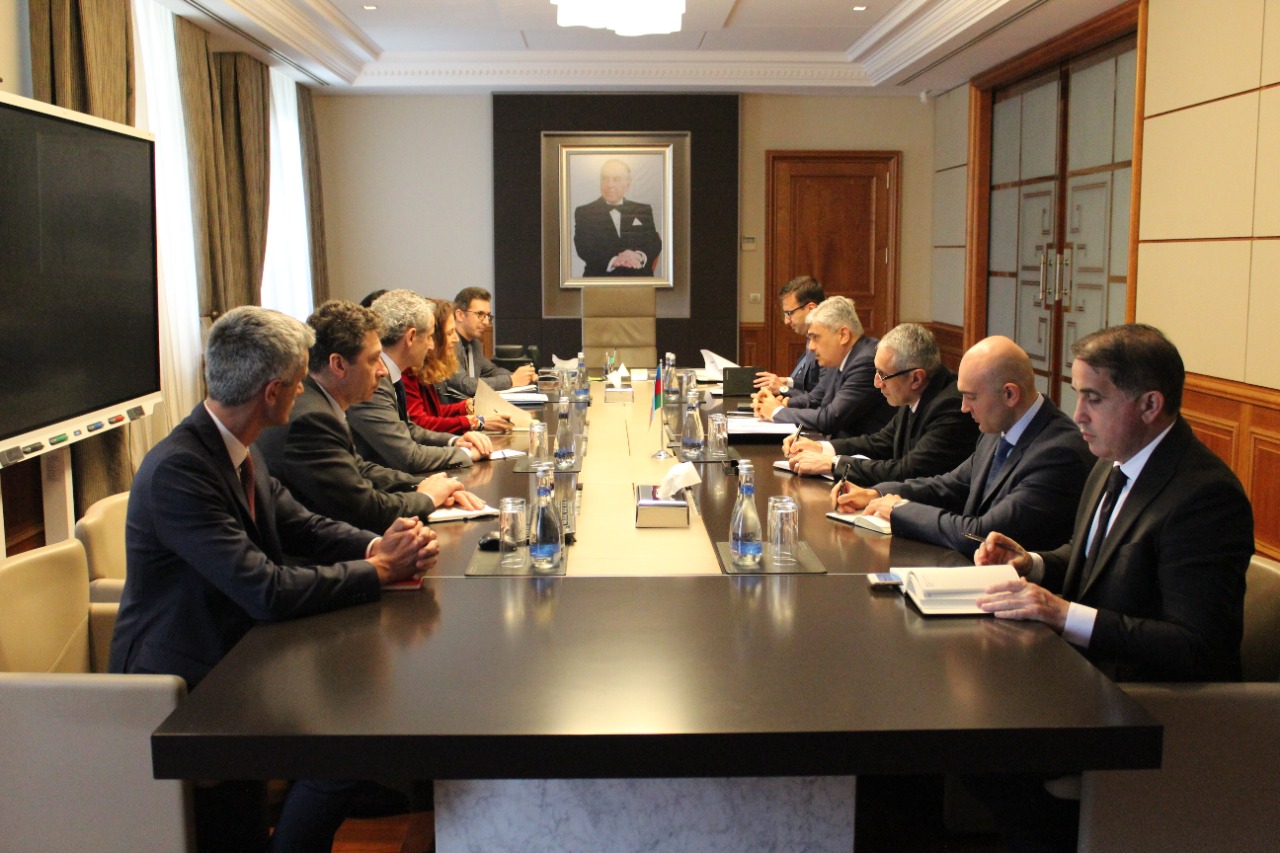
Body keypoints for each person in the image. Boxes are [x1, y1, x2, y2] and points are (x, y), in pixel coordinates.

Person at [109, 305, 436, 853]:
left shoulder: (235, 447)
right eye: (299, 377)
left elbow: (301, 524)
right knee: (342, 743)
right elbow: (263, 588)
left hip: (243, 649)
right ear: (271, 391)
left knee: (348, 737)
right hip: (189, 681)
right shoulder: (180, 471)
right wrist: (377, 571)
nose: (306, 386)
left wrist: (377, 545)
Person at [965, 324, 1254, 853]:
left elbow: (1197, 646)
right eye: (1078, 396)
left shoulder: (1204, 496)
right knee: (966, 719)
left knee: (985, 749)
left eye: (1094, 399)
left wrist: (1062, 613)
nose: (1077, 416)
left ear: (1149, 405)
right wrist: (1031, 564)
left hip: (1144, 706)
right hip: (1080, 678)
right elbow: (1091, 555)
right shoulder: (1110, 463)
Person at [834, 335, 1092, 557]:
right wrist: (876, 494)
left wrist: (900, 510)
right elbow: (951, 485)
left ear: (1010, 394)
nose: (963, 407)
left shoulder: (1058, 452)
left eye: (971, 397)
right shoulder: (997, 427)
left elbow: (981, 533)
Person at [257, 300, 482, 534]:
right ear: (338, 365)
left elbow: (359, 467)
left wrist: (426, 486)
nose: (383, 370)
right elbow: (364, 509)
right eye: (373, 359)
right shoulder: (311, 418)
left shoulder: (320, 400)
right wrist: (425, 497)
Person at [783, 323, 979, 483]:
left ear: (916, 378)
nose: (877, 383)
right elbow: (880, 443)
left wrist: (833, 464)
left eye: (883, 375)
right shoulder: (913, 392)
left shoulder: (951, 407)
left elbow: (909, 470)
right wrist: (821, 448)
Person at [349, 289, 490, 473]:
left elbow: (410, 429)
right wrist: (465, 453)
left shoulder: (393, 372)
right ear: (411, 337)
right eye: (430, 337)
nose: (432, 345)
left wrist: (455, 441)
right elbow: (408, 457)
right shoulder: (375, 380)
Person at [751, 295, 894, 439]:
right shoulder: (837, 357)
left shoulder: (867, 361)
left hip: (861, 455)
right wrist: (780, 402)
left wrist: (777, 412)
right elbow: (815, 399)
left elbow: (830, 419)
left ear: (843, 335)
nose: (811, 347)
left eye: (816, 338)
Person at [404, 297, 514, 435]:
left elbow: (436, 411)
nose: (455, 339)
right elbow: (421, 423)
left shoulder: (473, 346)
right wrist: (475, 422)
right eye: (450, 333)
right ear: (434, 338)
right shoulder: (408, 372)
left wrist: (471, 405)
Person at [443, 286, 537, 402]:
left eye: (488, 316)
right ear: (460, 315)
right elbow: (465, 384)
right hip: (452, 414)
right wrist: (511, 380)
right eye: (480, 314)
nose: (486, 322)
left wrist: (523, 376)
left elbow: (492, 371)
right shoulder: (448, 344)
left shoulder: (474, 344)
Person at [573, 158, 663, 277]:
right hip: (600, 280)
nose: (609, 185)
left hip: (639, 278)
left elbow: (653, 242)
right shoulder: (584, 212)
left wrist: (639, 256)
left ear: (628, 183)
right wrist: (615, 260)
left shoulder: (642, 210)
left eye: (616, 179)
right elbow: (584, 247)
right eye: (605, 178)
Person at [753, 275, 826, 397]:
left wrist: (782, 389)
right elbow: (809, 383)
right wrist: (786, 381)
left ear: (811, 309)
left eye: (789, 313)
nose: (787, 321)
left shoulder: (828, 345)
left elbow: (819, 397)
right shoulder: (811, 338)